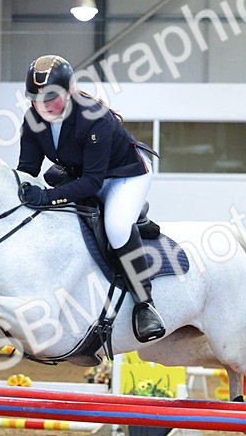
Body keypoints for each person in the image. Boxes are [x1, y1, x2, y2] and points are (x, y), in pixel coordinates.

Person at [16, 54, 165, 343]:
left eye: (51, 97)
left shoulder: (94, 117)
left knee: (117, 227)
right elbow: (28, 170)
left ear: (69, 91)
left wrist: (47, 198)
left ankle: (145, 303)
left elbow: (92, 182)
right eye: (35, 98)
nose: (43, 105)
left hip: (125, 175)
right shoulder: (33, 119)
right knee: (49, 183)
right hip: (82, 171)